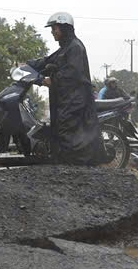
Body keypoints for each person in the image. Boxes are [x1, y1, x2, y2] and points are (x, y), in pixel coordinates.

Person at [32, 12, 102, 164]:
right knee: (58, 129)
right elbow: (47, 61)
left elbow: (71, 74)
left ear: (64, 28)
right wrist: (28, 65)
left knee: (66, 131)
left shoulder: (75, 47)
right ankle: (63, 164)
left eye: (54, 29)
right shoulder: (66, 48)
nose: (52, 32)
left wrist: (49, 80)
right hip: (66, 98)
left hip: (75, 99)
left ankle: (74, 167)